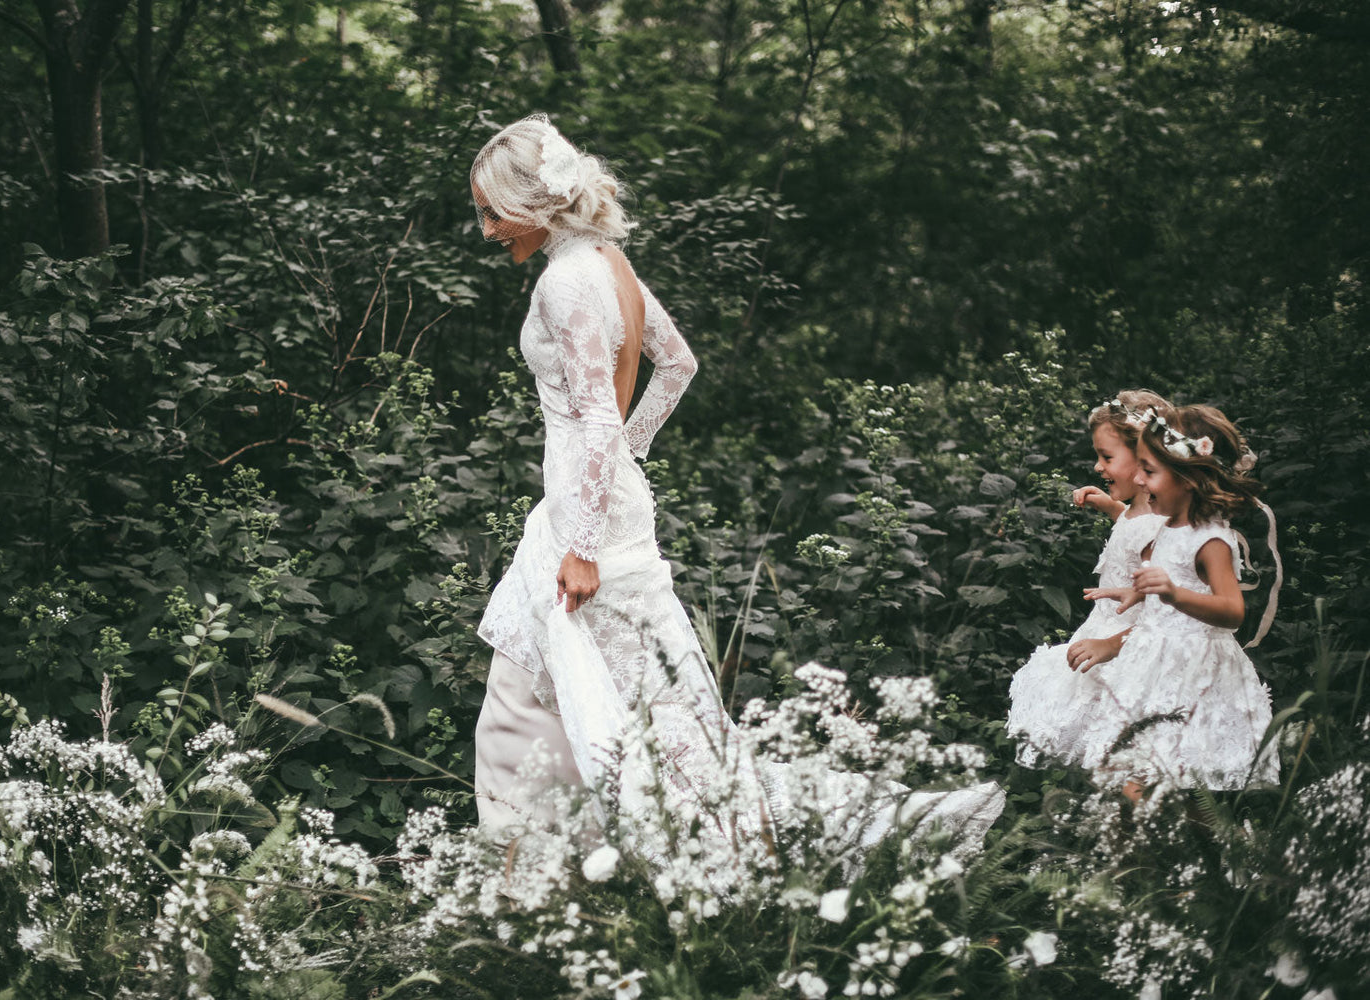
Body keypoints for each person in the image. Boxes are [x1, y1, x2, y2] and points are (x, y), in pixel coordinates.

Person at [467, 114, 1003, 858]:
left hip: (584, 527)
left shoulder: (566, 280)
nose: (487, 230)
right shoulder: (610, 263)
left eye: (492, 212)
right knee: (565, 694)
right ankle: (547, 861)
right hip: (589, 506)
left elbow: (595, 415)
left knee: (646, 722)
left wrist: (588, 532)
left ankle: (587, 858)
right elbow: (678, 364)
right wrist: (627, 458)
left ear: (535, 202)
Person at [1055, 403, 1280, 793]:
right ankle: (1146, 849)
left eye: (1150, 471)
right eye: (1139, 467)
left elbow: (1232, 611)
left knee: (1181, 787)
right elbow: (1160, 605)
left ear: (1189, 478)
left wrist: (1175, 594)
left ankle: (1185, 850)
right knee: (1127, 773)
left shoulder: (1210, 540)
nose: (1139, 481)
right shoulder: (1167, 528)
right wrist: (1135, 592)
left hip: (1193, 674)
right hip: (1151, 666)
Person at [1006, 390, 1169, 772]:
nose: (1098, 467)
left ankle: (1190, 828)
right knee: (1116, 763)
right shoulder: (1141, 513)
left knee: (1136, 761)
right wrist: (1112, 508)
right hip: (1108, 638)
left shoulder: (1160, 530)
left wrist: (1111, 645)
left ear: (1147, 458)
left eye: (1107, 457)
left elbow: (1167, 615)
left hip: (1133, 655)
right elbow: (1133, 525)